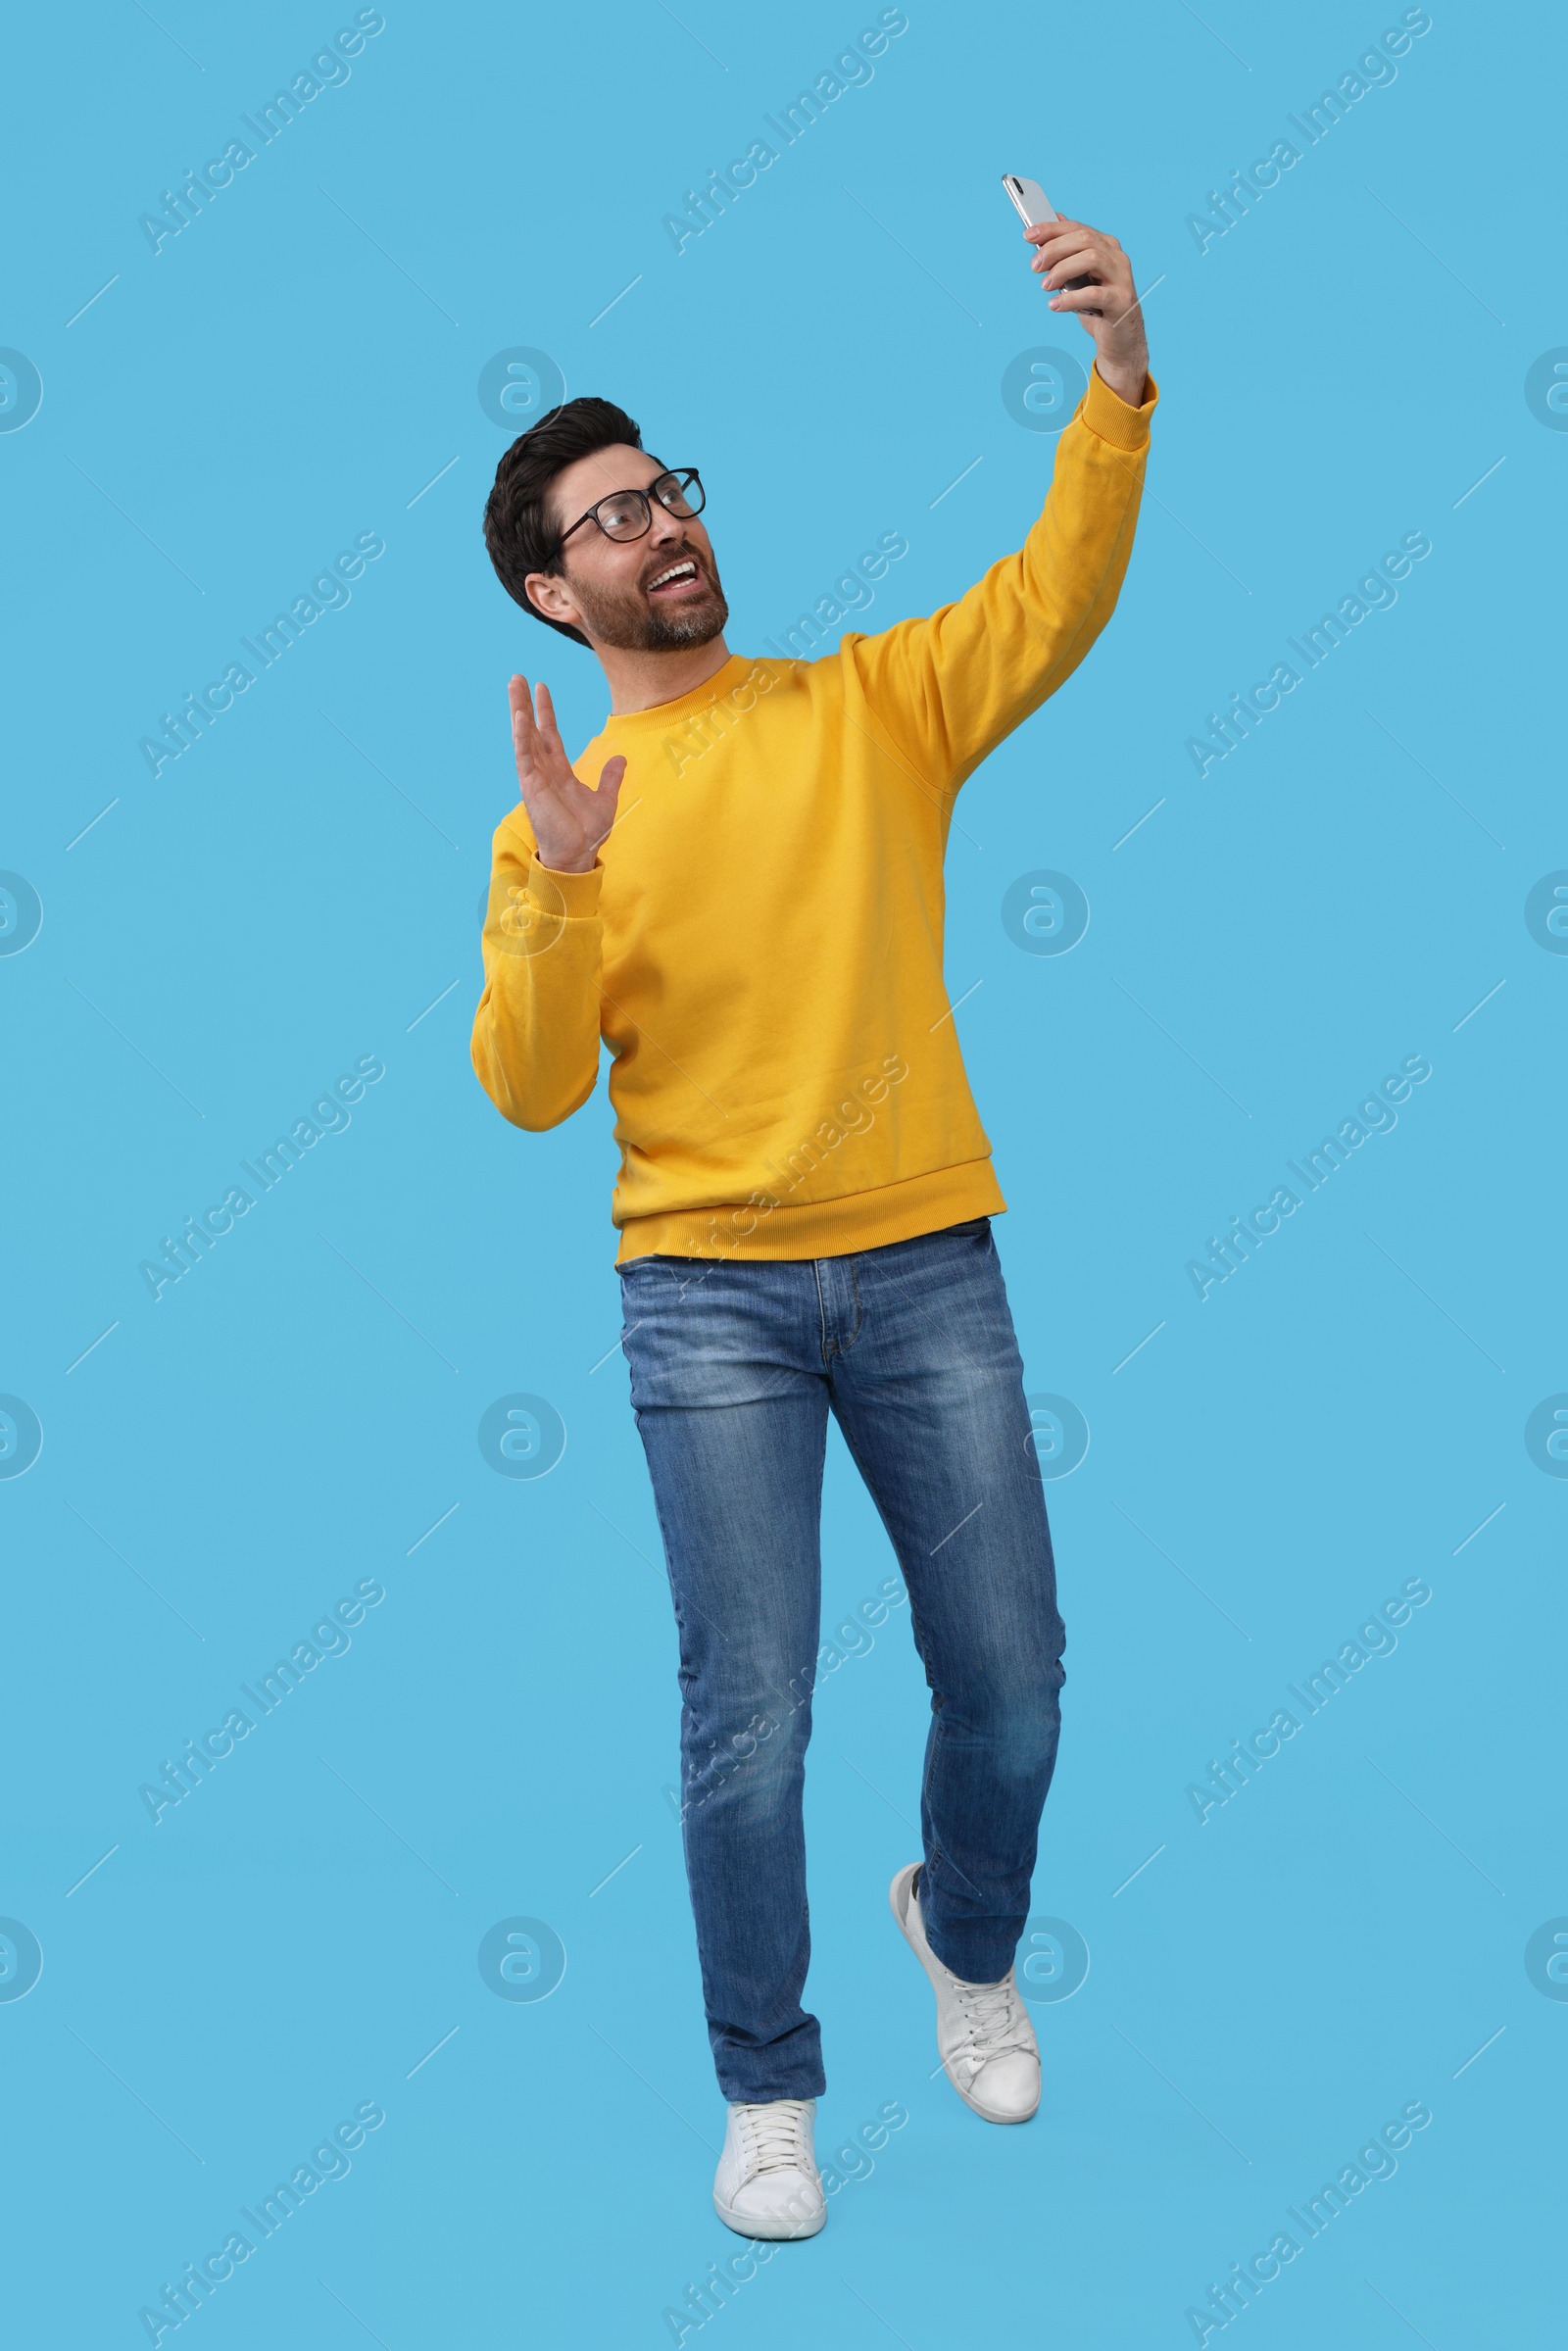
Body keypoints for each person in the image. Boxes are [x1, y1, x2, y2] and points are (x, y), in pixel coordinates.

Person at [472, 211, 1153, 2239]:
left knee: (1012, 1670)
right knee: (745, 1715)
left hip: (924, 1257)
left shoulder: (864, 709)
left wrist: (1117, 384)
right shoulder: (557, 815)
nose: (658, 525)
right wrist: (566, 881)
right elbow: (525, 1084)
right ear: (551, 587)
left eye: (665, 489)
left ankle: (960, 1924)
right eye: (611, 519)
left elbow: (1050, 597)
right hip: (706, 1304)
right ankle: (767, 2088)